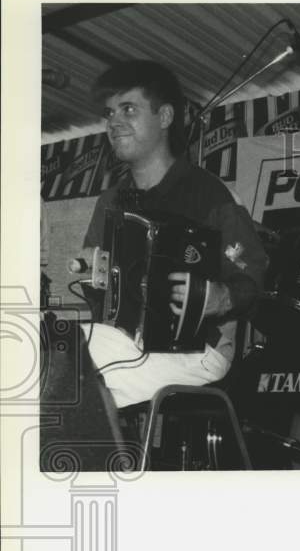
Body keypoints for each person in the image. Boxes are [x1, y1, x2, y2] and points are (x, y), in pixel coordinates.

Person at [81, 60, 267, 409]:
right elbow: (95, 283)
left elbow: (252, 278)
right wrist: (88, 271)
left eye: (129, 110)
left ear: (165, 117)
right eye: (109, 113)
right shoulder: (110, 201)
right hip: (122, 341)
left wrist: (221, 297)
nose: (114, 123)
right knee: (54, 352)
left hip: (199, 352)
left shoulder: (210, 194)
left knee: (71, 369)